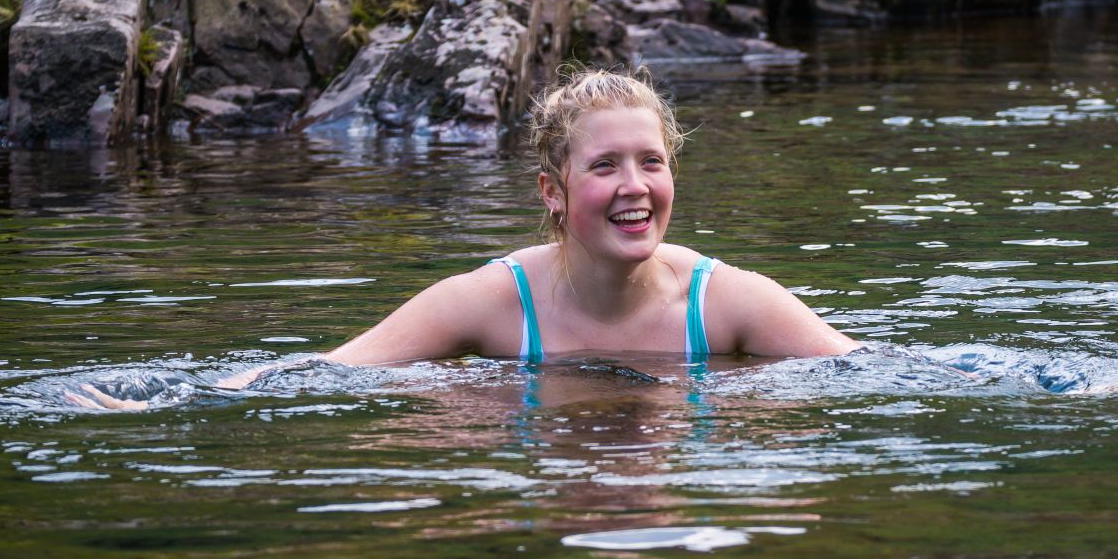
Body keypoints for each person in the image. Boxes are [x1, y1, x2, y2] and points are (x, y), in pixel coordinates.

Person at [69, 68, 856, 408]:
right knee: (458, 400)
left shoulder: (728, 302)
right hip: (541, 438)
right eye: (604, 166)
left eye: (651, 162)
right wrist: (167, 396)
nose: (634, 188)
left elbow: (885, 373)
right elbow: (324, 372)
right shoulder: (489, 301)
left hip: (674, 431)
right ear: (552, 191)